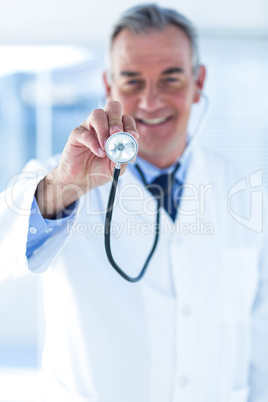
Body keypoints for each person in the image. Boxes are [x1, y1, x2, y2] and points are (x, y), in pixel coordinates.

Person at [0, 4, 267, 402]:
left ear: (199, 83)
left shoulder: (244, 192)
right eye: (132, 81)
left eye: (171, 79)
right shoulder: (62, 179)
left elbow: (259, 337)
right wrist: (66, 186)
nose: (151, 101)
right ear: (109, 86)